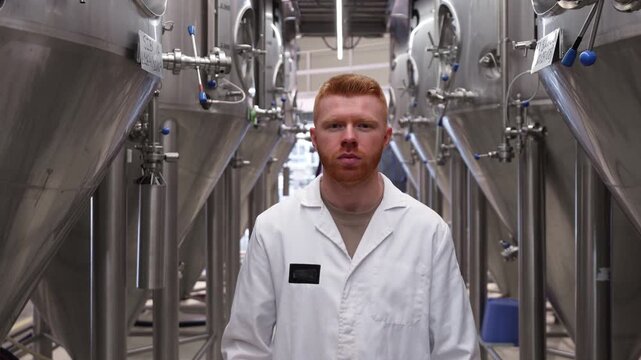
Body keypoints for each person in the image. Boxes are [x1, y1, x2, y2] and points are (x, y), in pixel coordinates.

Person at [221, 74, 480, 359]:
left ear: (386, 138)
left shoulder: (428, 232)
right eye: (334, 126)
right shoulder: (274, 230)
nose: (349, 138)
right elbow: (245, 347)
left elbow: (456, 350)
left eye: (364, 125)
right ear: (315, 138)